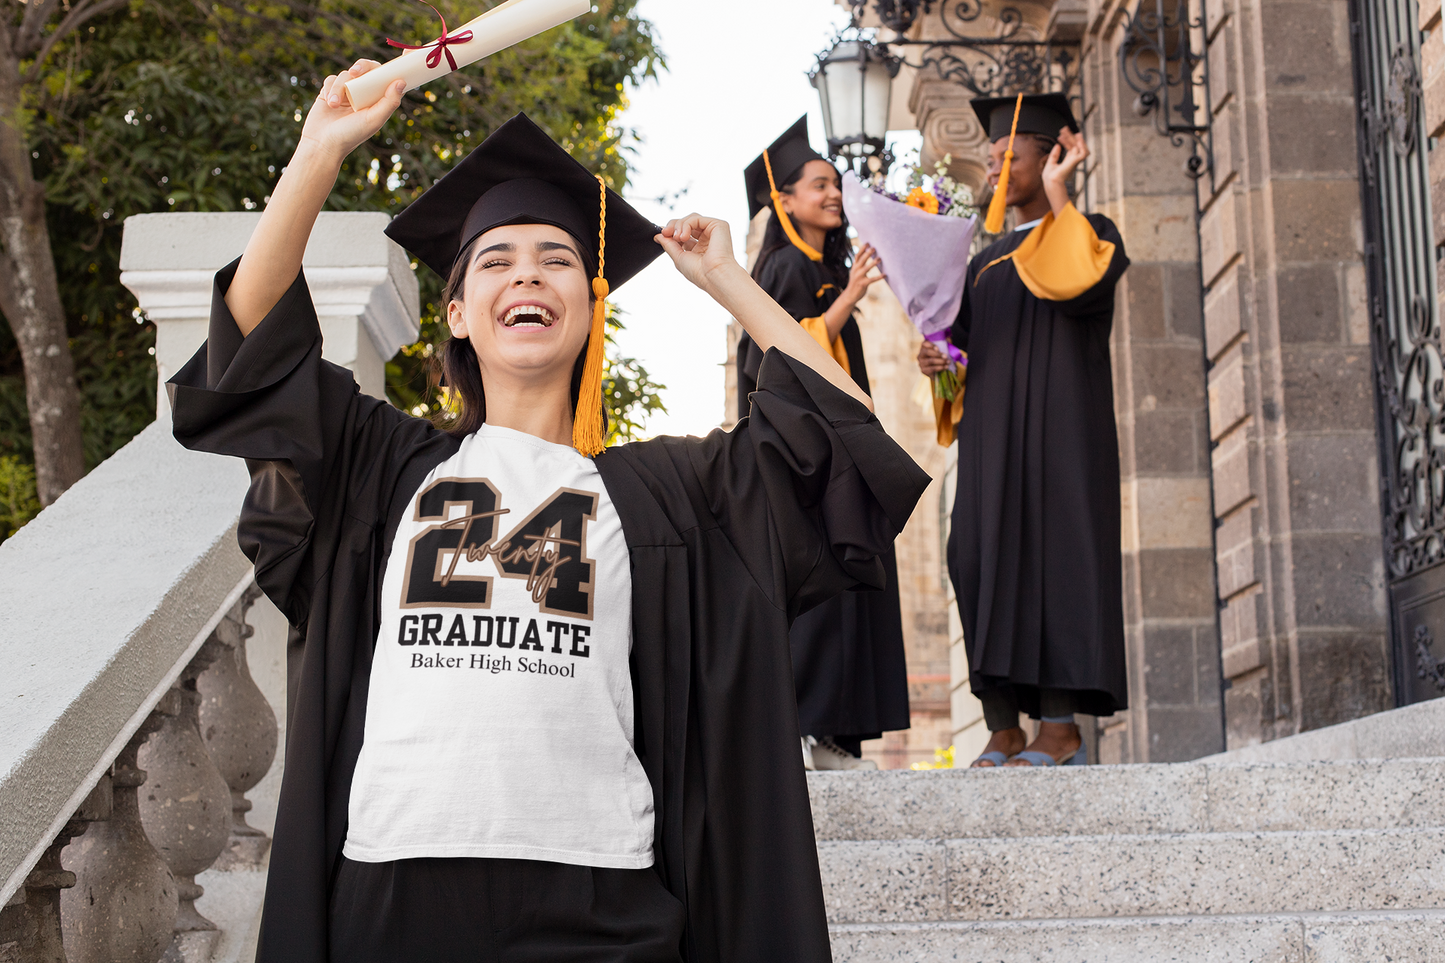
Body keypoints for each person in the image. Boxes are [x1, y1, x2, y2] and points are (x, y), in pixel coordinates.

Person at [168, 61, 929, 963]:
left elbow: (841, 437)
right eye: (495, 260)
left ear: (588, 307)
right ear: (456, 312)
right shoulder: (382, 466)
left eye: (556, 259)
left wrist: (727, 277)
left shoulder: (668, 492)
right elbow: (253, 348)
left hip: (599, 892)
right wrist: (318, 152)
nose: (526, 273)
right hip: (392, 888)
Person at [918, 93, 1130, 769]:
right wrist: (940, 358)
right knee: (973, 556)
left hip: (1062, 439)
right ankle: (1003, 725)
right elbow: (963, 356)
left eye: (1012, 155)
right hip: (991, 441)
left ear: (1053, 156)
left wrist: (1063, 192)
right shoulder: (983, 261)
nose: (995, 167)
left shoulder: (1090, 235)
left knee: (1054, 560)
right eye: (990, 157)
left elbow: (1076, 282)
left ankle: (1059, 728)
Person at [738, 117, 910, 772]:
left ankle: (840, 736)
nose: (832, 194)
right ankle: (816, 731)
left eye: (835, 184)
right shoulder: (783, 266)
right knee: (825, 585)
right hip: (810, 457)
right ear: (782, 200)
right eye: (818, 185)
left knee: (853, 584)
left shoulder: (821, 266)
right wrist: (848, 299)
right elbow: (779, 355)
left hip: (843, 450)